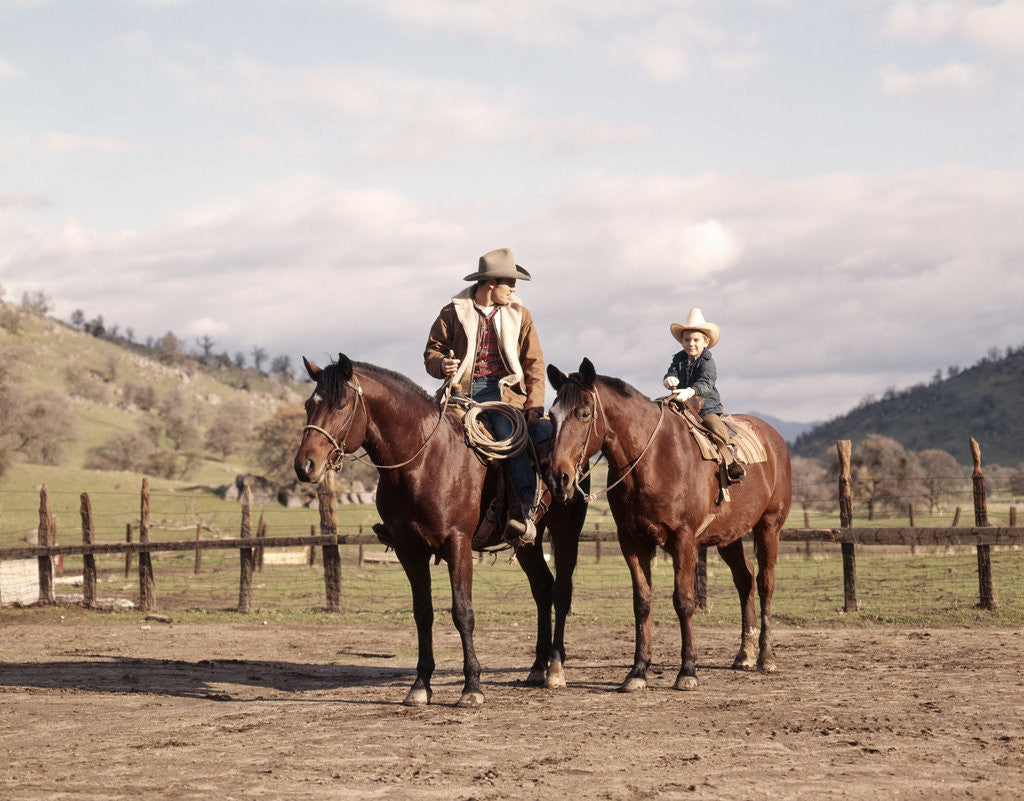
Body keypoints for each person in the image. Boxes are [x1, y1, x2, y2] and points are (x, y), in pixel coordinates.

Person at [424, 248, 545, 544]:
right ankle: (415, 512)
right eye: (510, 283)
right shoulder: (452, 312)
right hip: (459, 391)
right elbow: (432, 352)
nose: (514, 289)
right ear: (490, 283)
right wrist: (442, 364)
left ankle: (524, 508)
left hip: (502, 392)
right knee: (428, 438)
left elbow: (533, 362)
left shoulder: (520, 314)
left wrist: (534, 403)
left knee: (509, 439)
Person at [663, 307, 745, 482]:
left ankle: (731, 459)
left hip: (705, 406)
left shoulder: (708, 362)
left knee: (714, 426)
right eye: (687, 340)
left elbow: (706, 382)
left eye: (695, 340)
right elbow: (672, 372)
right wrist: (669, 379)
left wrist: (691, 391)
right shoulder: (678, 359)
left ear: (705, 342)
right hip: (680, 404)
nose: (690, 343)